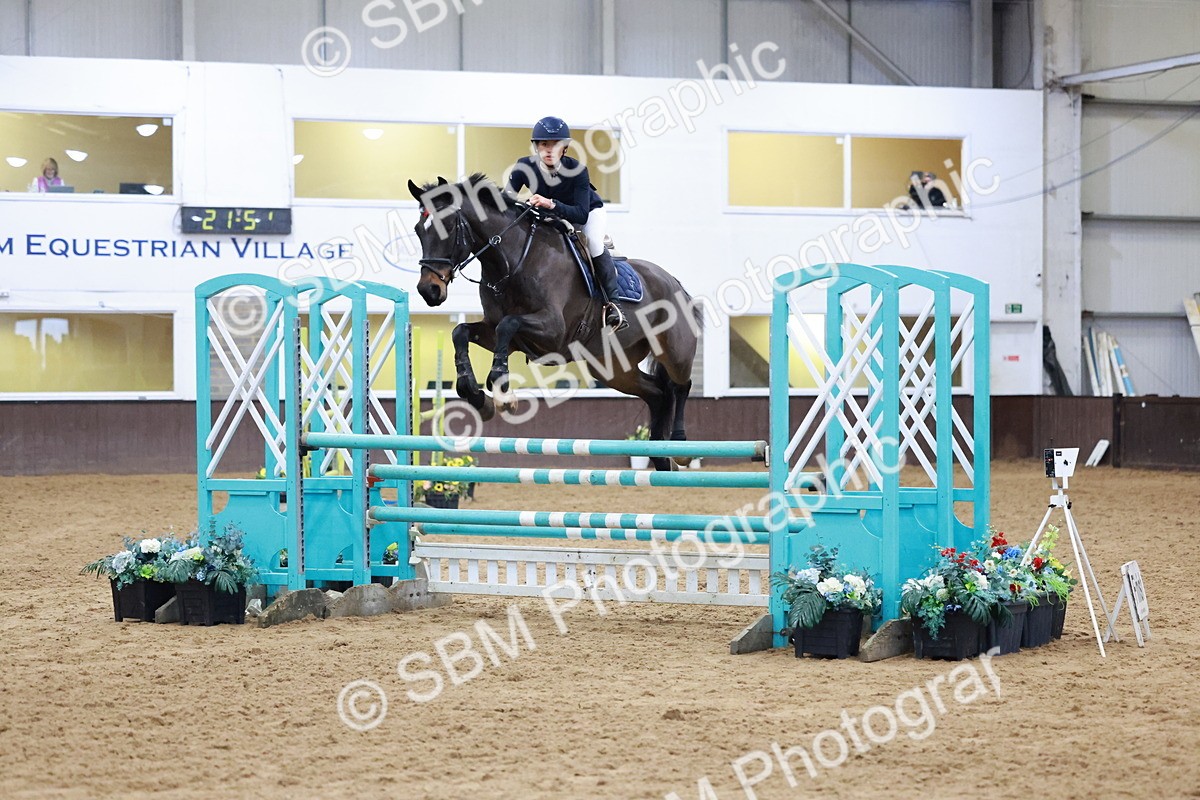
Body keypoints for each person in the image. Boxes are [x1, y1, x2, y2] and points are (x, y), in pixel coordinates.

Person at [506, 116, 625, 331]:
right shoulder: (524, 166)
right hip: (551, 213)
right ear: (536, 147)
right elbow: (505, 199)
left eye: (556, 145)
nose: (549, 150)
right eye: (544, 144)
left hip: (588, 212)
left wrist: (550, 204)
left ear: (565, 149)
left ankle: (613, 304)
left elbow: (580, 215)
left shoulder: (578, 170)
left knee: (594, 245)